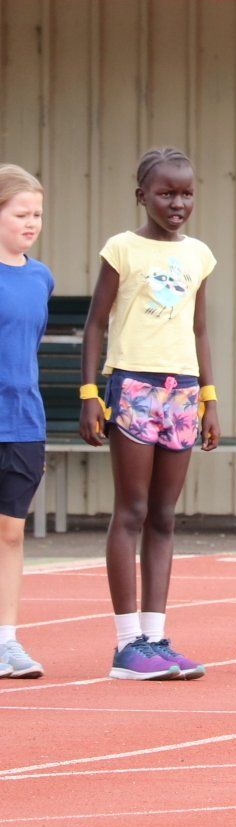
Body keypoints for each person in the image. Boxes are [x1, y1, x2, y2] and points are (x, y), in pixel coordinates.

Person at [80, 147, 220, 681]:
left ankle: (157, 638)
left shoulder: (199, 256)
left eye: (186, 193)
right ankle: (126, 644)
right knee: (132, 510)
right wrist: (91, 392)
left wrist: (209, 398)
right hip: (133, 385)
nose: (177, 202)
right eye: (165, 193)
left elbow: (200, 330)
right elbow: (96, 323)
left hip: (182, 391)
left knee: (164, 516)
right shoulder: (123, 249)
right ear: (142, 195)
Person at [0, 166, 51, 679]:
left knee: (10, 535)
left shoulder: (41, 276)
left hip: (23, 425)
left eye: (36, 213)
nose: (31, 222)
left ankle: (7, 641)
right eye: (20, 214)